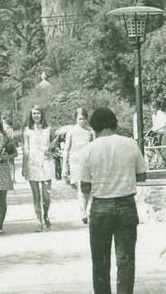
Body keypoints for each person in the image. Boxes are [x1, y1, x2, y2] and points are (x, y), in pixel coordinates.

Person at [79, 107, 147, 294]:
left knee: (100, 261)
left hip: (100, 207)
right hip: (126, 205)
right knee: (125, 260)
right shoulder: (130, 144)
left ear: (94, 126)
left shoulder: (88, 150)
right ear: (114, 123)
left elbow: (85, 187)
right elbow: (142, 175)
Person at [22, 105, 55, 232]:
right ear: (31, 115)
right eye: (34, 113)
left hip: (46, 163)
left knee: (46, 196)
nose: (36, 116)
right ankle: (39, 221)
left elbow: (54, 145)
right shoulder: (27, 130)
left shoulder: (48, 129)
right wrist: (24, 166)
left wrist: (51, 149)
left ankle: (45, 215)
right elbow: (26, 149)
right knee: (36, 196)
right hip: (33, 163)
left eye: (38, 113)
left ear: (42, 114)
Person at [62, 107, 94, 223]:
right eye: (79, 119)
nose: (82, 121)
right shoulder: (71, 131)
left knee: (87, 188)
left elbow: (95, 148)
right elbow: (66, 149)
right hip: (75, 162)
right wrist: (64, 167)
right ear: (75, 118)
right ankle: (83, 211)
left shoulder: (91, 131)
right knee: (80, 186)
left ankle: (85, 210)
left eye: (84, 119)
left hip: (88, 162)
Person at [2, 113, 16, 182]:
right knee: (10, 161)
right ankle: (11, 177)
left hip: (7, 144)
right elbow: (12, 137)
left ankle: (11, 177)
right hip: (8, 144)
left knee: (10, 161)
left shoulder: (7, 128)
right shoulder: (9, 128)